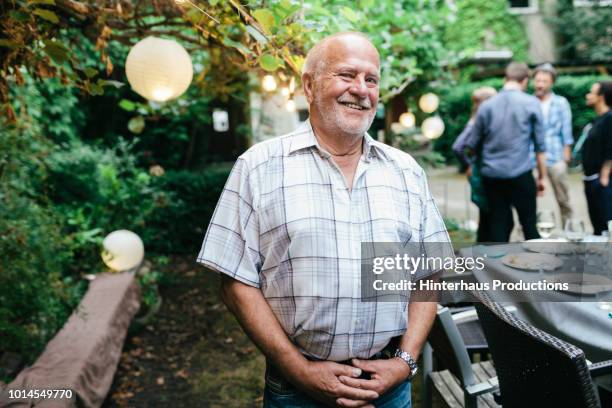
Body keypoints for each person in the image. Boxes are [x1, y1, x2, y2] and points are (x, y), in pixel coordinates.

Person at [196, 32, 452, 408]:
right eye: (347, 75)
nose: (361, 90)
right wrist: (297, 368)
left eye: (371, 79)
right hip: (296, 389)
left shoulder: (406, 171)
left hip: (388, 389)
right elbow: (236, 282)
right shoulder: (258, 167)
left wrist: (405, 363)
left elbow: (429, 274)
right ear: (309, 85)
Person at [465, 62, 547, 242]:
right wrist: (542, 177)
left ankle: (496, 269)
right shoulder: (532, 103)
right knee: (529, 226)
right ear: (525, 80)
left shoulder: (487, 106)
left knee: (498, 227)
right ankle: (535, 267)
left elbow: (472, 144)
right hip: (521, 175)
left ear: (505, 79)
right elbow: (540, 147)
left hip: (492, 177)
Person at [452, 86, 511, 242]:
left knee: (487, 217)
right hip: (481, 174)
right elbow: (458, 147)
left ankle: (484, 255)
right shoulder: (476, 121)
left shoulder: (480, 118)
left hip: (484, 172)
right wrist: (469, 165)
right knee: (492, 217)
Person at [533, 63, 574, 227]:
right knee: (528, 202)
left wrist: (565, 159)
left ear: (551, 83)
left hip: (556, 157)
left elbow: (567, 130)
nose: (540, 84)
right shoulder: (528, 101)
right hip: (532, 159)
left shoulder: (561, 102)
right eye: (537, 80)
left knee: (564, 199)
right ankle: (526, 237)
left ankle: (570, 232)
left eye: (544, 81)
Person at [582, 80, 612, 235]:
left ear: (601, 97)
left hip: (601, 182)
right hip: (591, 179)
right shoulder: (598, 119)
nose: (588, 95)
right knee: (597, 227)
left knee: (606, 226)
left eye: (591, 92)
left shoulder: (609, 118)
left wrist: (604, 176)